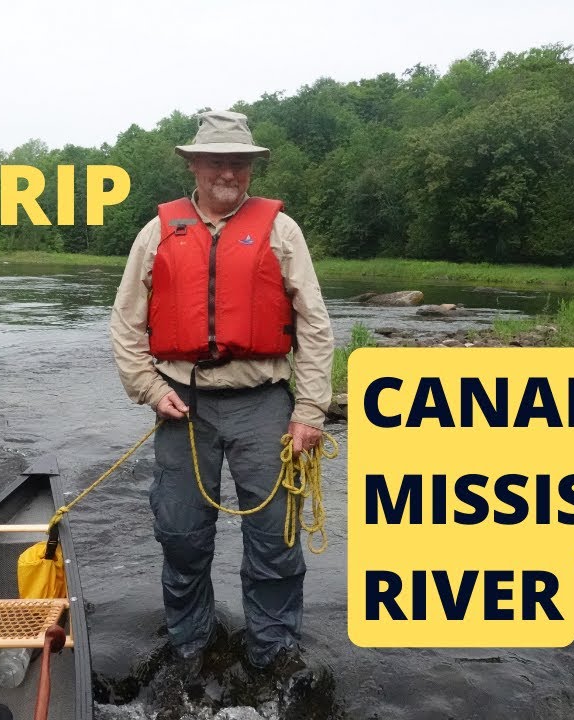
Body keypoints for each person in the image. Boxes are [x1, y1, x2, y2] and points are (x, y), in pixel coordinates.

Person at [109, 110, 334, 675]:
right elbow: (126, 322)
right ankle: (189, 645)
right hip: (182, 406)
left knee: (275, 539)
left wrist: (309, 409)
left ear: (251, 169)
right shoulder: (157, 231)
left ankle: (272, 651)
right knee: (181, 533)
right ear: (194, 164)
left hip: (265, 404)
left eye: (239, 163)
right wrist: (149, 388)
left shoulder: (282, 231)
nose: (228, 173)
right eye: (217, 162)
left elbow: (314, 324)